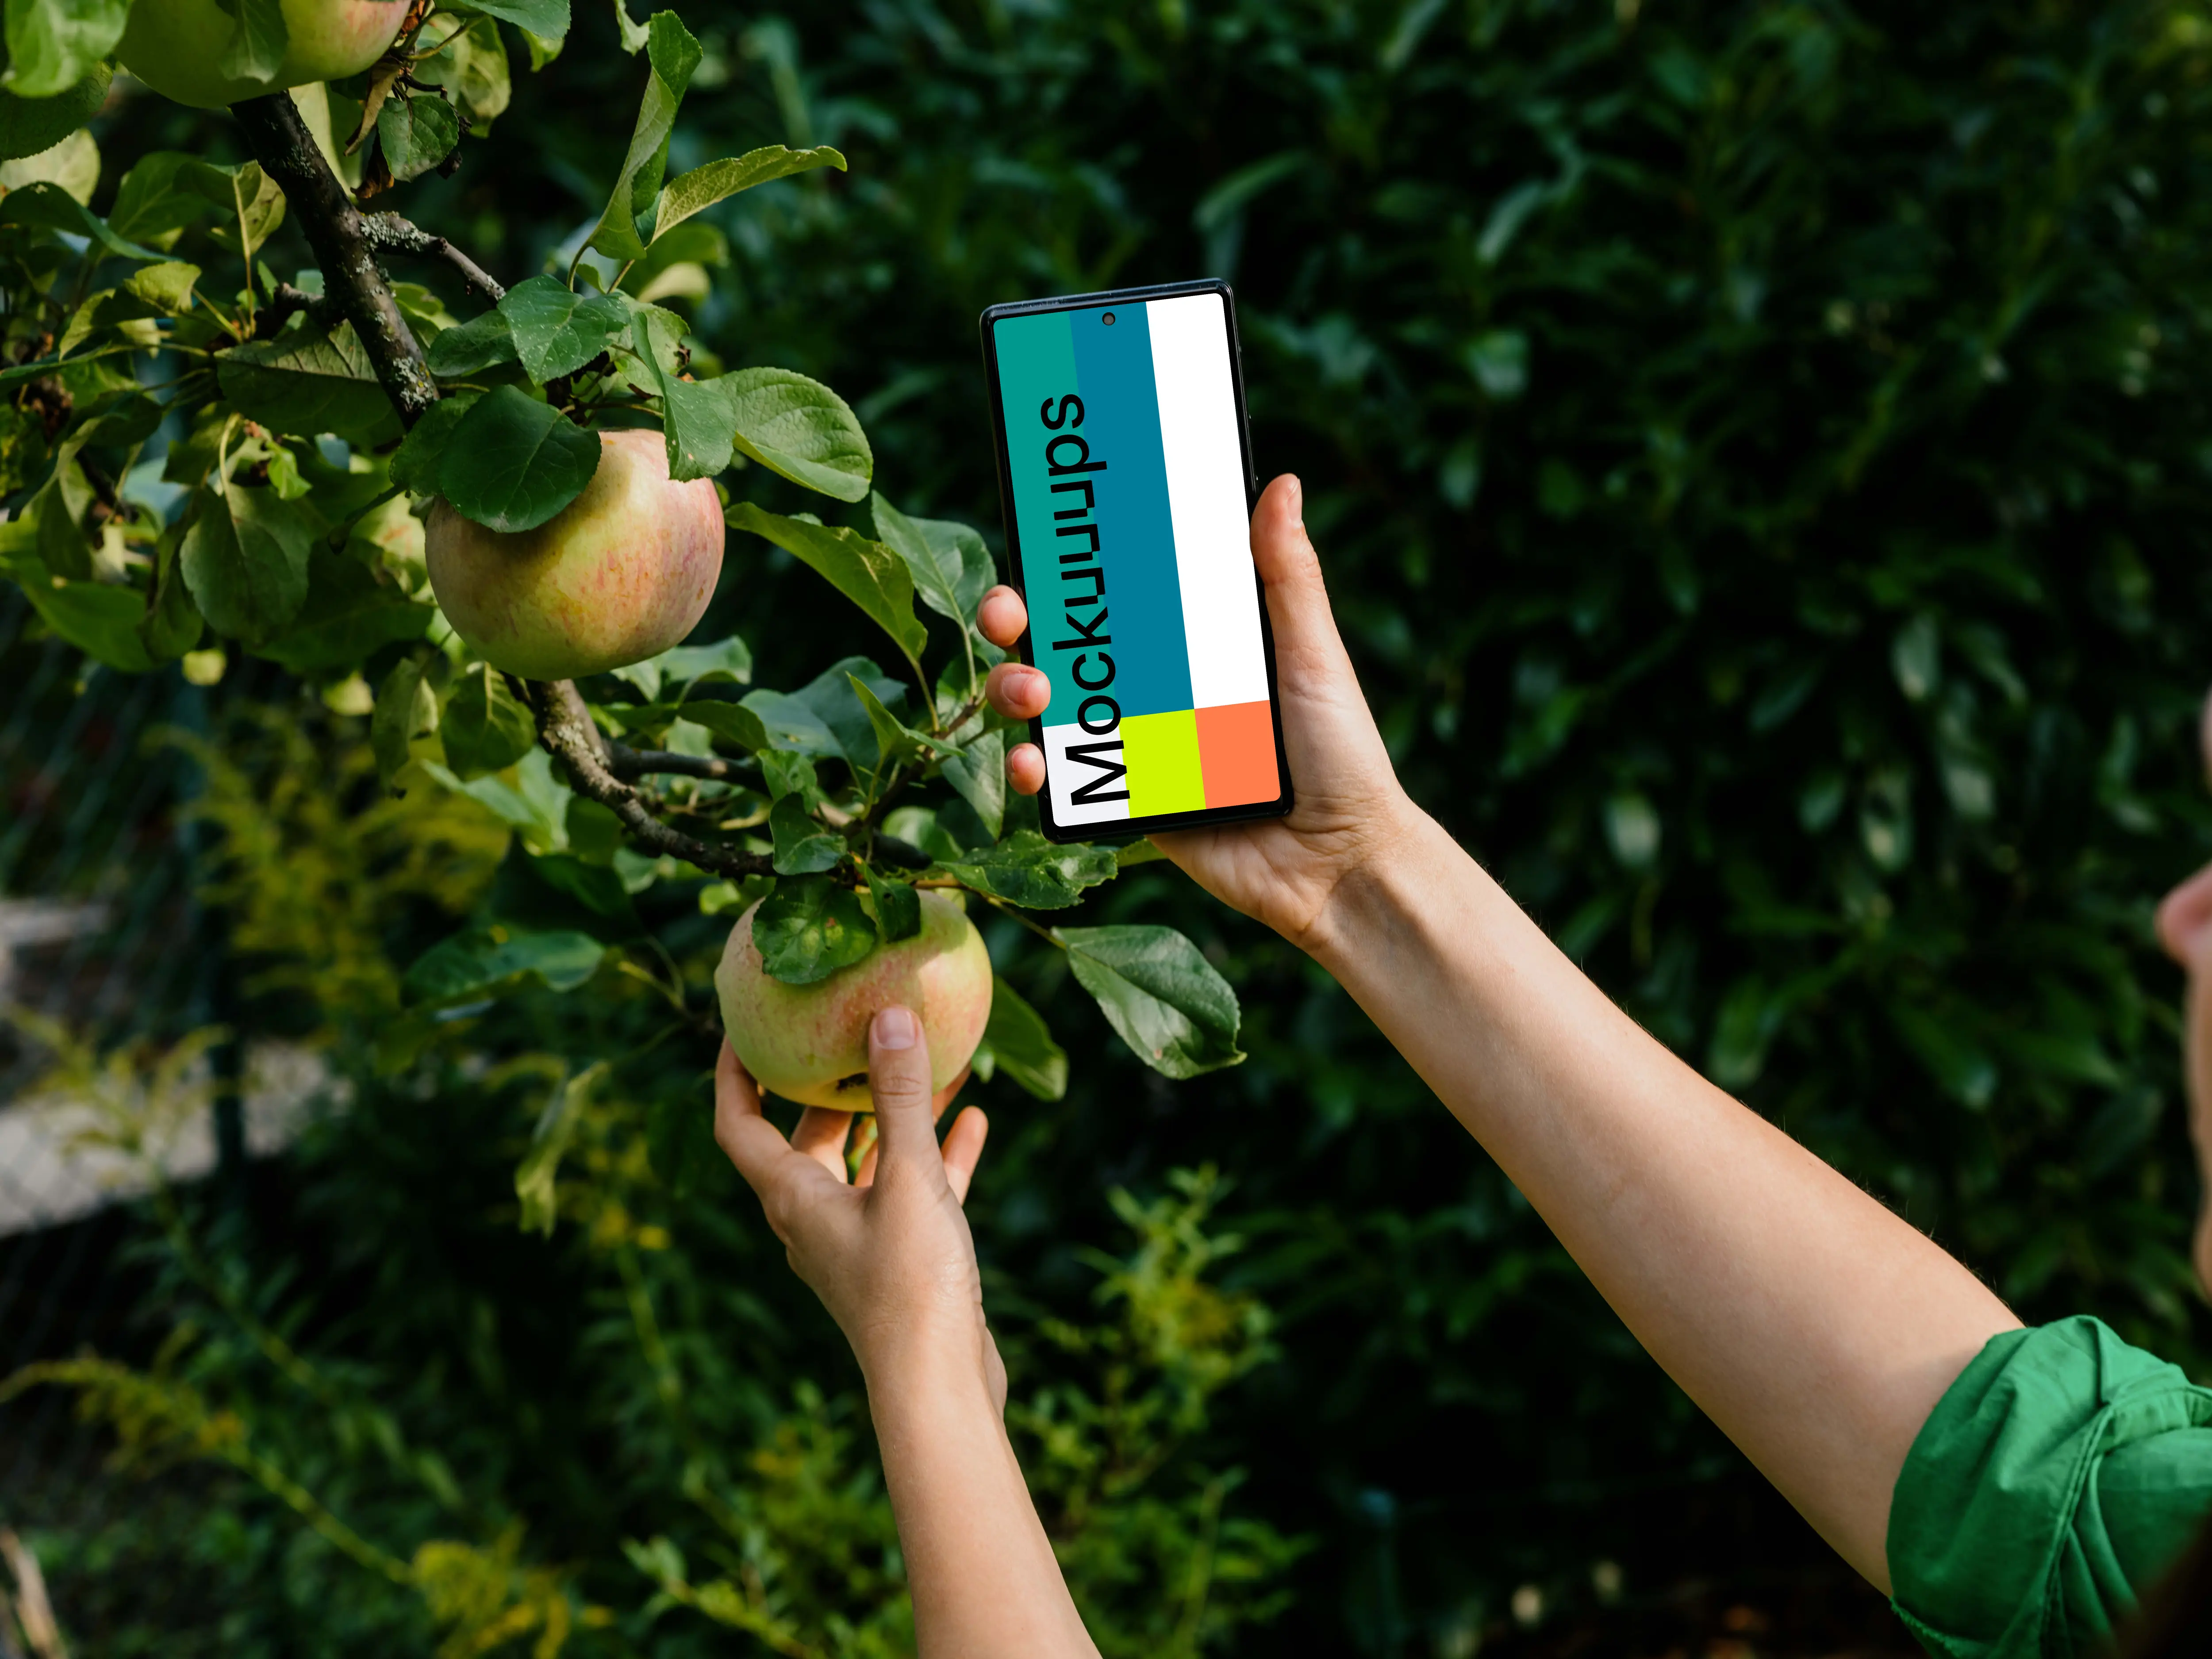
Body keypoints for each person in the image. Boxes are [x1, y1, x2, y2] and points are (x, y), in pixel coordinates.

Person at [714, 474, 2212, 1659]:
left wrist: (925, 1369)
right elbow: (2009, 1469)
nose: (2182, 907)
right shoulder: (2175, 1528)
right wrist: (1354, 879)